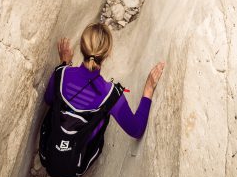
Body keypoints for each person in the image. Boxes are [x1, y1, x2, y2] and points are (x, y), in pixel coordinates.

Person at [43, 23, 165, 160]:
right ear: (108, 54)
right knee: (103, 112)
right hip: (78, 159)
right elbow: (136, 130)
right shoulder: (110, 94)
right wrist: (149, 88)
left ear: (81, 47)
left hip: (49, 151)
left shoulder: (61, 74)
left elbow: (49, 99)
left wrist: (64, 64)